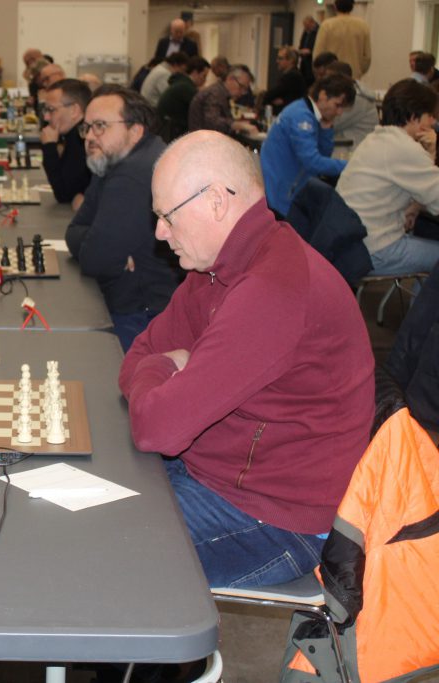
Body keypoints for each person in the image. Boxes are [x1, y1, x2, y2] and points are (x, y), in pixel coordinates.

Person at [120, 130, 374, 588]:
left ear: (217, 201)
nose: (159, 232)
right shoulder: (216, 266)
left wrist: (164, 368)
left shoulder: (274, 290)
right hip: (213, 470)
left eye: (167, 216)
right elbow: (135, 358)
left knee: (105, 551)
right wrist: (166, 366)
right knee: (88, 501)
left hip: (275, 516)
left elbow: (157, 428)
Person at [65, 87, 179, 351]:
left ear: (135, 130)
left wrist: (96, 242)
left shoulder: (132, 175)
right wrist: (98, 241)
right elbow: (74, 231)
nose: (89, 137)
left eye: (100, 126)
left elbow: (94, 258)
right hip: (147, 308)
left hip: (141, 318)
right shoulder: (115, 160)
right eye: (87, 128)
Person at [337, 79, 439, 276]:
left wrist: (415, 207)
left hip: (352, 244)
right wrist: (432, 151)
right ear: (414, 117)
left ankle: (423, 297)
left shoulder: (377, 138)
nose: (433, 123)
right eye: (430, 116)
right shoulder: (404, 148)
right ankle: (424, 298)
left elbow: (422, 187)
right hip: (375, 250)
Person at [259, 73, 354, 216]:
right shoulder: (301, 116)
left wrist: (326, 130)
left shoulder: (307, 111)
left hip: (287, 188)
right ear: (323, 95)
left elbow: (323, 155)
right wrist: (352, 165)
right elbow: (313, 162)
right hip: (279, 193)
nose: (339, 112)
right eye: (338, 105)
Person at [40, 78, 91, 208]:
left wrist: (49, 147)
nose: (46, 117)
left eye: (51, 109)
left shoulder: (81, 138)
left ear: (74, 110)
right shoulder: (74, 134)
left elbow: (63, 194)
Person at [188, 66, 257, 135]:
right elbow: (212, 122)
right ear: (230, 79)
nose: (242, 92)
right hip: (203, 139)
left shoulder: (219, 91)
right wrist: (238, 125)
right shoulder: (215, 93)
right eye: (241, 86)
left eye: (245, 89)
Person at [328, 61, 378, 150]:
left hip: (354, 148)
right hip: (346, 143)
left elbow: (333, 124)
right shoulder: (346, 93)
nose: (325, 83)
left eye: (329, 79)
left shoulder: (358, 99)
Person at [314, 0, 370, 79]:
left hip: (330, 76)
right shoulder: (363, 26)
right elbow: (367, 57)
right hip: (353, 75)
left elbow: (318, 53)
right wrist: (359, 71)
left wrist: (320, 74)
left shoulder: (327, 25)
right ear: (352, 7)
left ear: (335, 6)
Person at [157, 56, 209, 141]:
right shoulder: (186, 88)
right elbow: (201, 109)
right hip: (172, 131)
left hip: (166, 127)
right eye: (204, 76)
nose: (205, 80)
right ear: (195, 73)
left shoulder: (182, 83)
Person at [262, 46, 307, 114]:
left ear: (291, 60)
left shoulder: (292, 76)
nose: (277, 61)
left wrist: (282, 101)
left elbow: (268, 96)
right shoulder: (291, 75)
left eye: (280, 58)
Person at [298, 15, 319, 85]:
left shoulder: (318, 31)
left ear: (312, 23)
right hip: (304, 61)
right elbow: (302, 43)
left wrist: (310, 51)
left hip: (312, 61)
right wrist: (300, 50)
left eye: (307, 25)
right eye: (305, 26)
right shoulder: (306, 31)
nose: (305, 28)